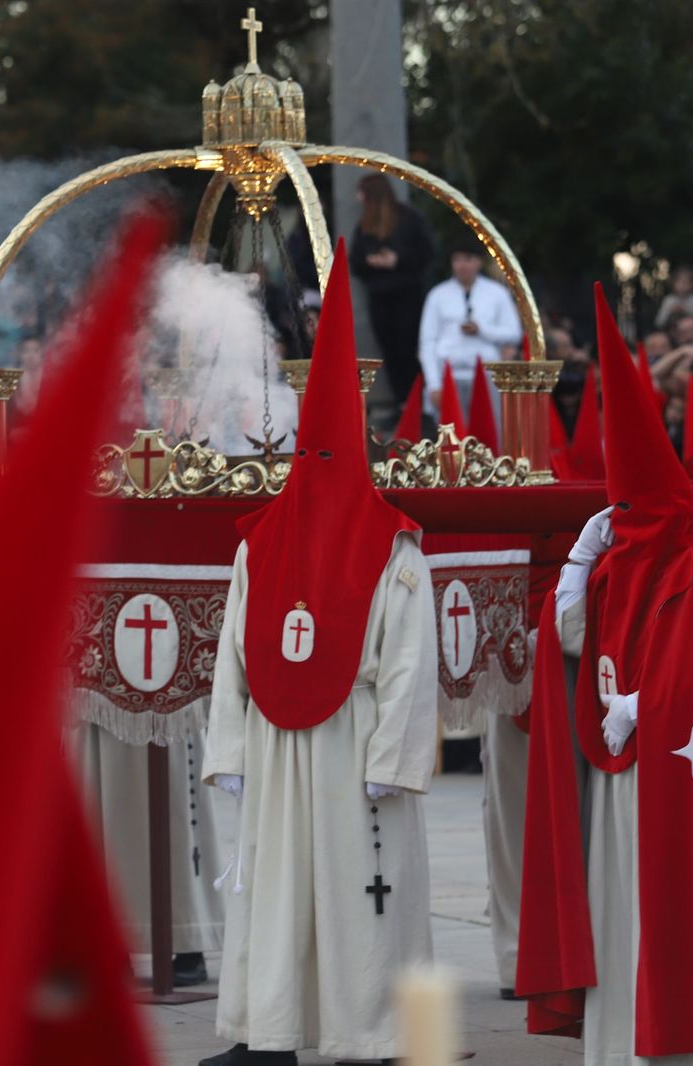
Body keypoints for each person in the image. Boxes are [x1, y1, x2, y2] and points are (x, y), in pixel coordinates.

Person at [519, 284, 693, 1065]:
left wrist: (644, 706)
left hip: (687, 774)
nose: (623, 521)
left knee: (682, 908)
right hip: (622, 781)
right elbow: (574, 641)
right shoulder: (619, 556)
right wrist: (579, 563)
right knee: (622, 911)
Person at [200, 242, 438, 1066]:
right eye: (312, 455)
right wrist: (230, 750)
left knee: (357, 896)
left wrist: (392, 759)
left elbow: (409, 660)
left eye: (329, 455)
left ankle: (373, 1037)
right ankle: (267, 1035)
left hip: (356, 743)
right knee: (276, 892)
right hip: (275, 743)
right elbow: (232, 652)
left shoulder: (395, 548)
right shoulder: (261, 542)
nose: (319, 471)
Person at [70, 721, 224, 988]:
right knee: (104, 812)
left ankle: (188, 943)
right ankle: (107, 945)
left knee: (175, 817)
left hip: (169, 716)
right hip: (100, 712)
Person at [349, 174, 434, 409]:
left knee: (409, 347)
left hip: (407, 295)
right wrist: (371, 261)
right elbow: (355, 260)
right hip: (380, 296)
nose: (359, 198)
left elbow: (426, 252)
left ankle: (417, 400)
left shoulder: (409, 218)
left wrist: (398, 260)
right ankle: (402, 401)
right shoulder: (365, 225)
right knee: (389, 349)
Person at [418, 238, 523, 417]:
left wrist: (482, 330)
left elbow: (514, 333)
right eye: (457, 259)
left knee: (488, 428)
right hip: (448, 375)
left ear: (479, 262)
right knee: (450, 430)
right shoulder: (438, 295)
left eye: (468, 259)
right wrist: (433, 384)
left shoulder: (497, 293)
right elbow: (428, 341)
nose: (462, 265)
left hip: (487, 374)